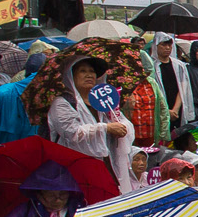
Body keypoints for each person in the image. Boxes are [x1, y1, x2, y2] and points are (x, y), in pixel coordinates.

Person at [45, 53, 135, 191]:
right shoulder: (63, 103)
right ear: (71, 76)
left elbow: (122, 120)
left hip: (106, 165)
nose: (89, 75)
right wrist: (106, 128)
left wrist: (122, 128)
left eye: (92, 71)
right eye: (82, 71)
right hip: (76, 168)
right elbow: (72, 132)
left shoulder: (103, 101)